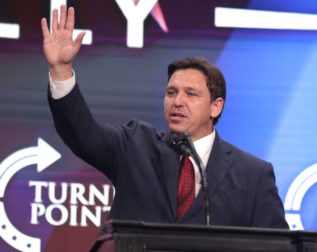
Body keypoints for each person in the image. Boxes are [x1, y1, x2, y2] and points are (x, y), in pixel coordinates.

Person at [42, 5, 288, 235]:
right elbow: (82, 133)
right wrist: (61, 70)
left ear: (216, 106)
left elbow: (279, 246)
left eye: (191, 94)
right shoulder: (135, 146)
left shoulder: (253, 175)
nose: (177, 101)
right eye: (171, 93)